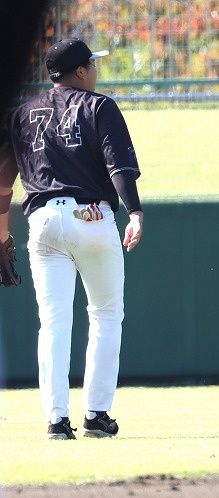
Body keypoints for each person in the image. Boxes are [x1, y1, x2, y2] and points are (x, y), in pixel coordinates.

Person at [1, 38, 144, 439]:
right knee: (105, 314)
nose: (95, 70)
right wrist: (134, 211)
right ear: (81, 71)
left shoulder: (21, 114)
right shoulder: (99, 106)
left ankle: (56, 420)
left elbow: (3, 182)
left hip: (43, 221)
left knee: (53, 322)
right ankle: (96, 415)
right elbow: (119, 167)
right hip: (91, 215)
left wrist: (2, 234)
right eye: (92, 64)